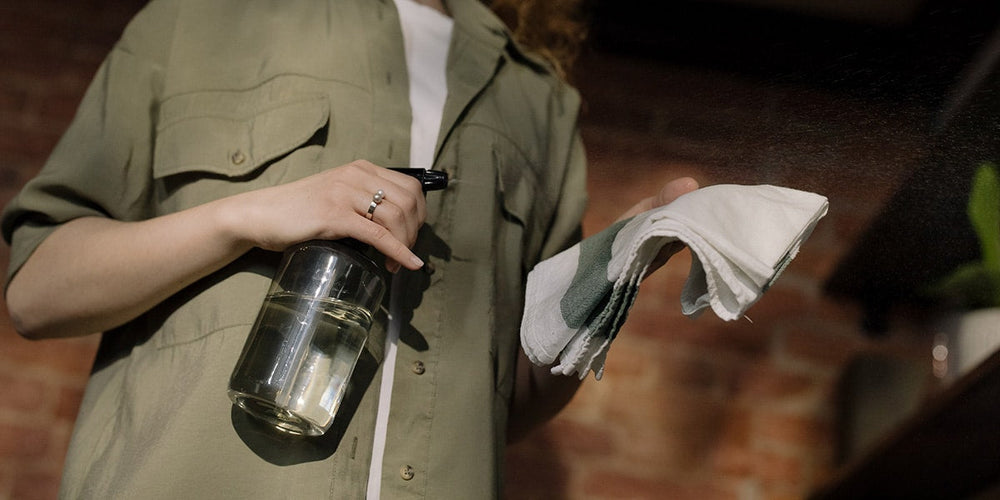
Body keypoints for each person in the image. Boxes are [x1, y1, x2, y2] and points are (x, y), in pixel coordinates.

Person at [1, 0, 698, 498]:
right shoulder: (196, 19)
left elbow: (504, 402)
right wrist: (245, 215)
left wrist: (615, 271)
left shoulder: (540, 103)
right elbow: (37, 291)